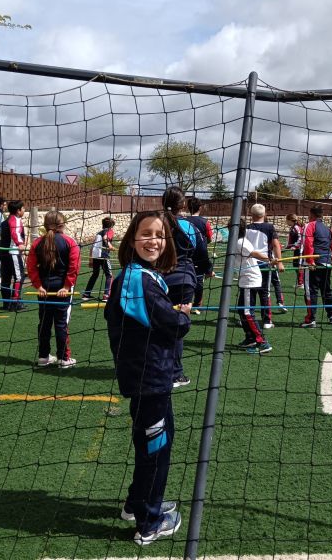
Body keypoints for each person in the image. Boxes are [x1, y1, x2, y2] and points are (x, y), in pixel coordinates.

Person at [104, 210, 190, 545]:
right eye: (146, 234)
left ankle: (137, 503)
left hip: (151, 376)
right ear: (132, 239)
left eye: (160, 235)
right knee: (156, 449)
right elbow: (172, 325)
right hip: (148, 378)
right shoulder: (136, 280)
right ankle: (149, 522)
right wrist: (182, 315)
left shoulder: (142, 276)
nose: (153, 241)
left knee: (155, 443)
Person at [161, 187, 211, 388]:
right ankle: (175, 373)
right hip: (182, 280)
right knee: (177, 326)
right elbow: (202, 254)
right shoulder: (189, 227)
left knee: (157, 323)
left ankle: (159, 367)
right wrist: (207, 270)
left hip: (156, 280)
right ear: (183, 204)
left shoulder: (156, 223)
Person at [27, 211, 80, 368]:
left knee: (44, 323)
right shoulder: (69, 242)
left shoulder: (37, 243)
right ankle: (63, 358)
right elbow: (74, 266)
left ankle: (43, 356)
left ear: (45, 225)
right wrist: (66, 286)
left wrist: (39, 286)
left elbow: (31, 267)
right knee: (61, 323)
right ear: (62, 225)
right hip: (61, 290)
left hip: (44, 290)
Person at [228, 219, 273, 354]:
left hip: (250, 280)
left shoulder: (241, 242)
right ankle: (250, 338)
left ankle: (262, 342)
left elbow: (254, 253)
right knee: (242, 310)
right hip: (245, 279)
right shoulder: (237, 242)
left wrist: (269, 259)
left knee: (247, 312)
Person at [245, 203, 286, 328]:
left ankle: (249, 319)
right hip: (264, 263)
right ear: (264, 214)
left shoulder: (246, 228)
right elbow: (276, 245)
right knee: (264, 292)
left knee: (250, 291)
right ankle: (267, 321)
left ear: (251, 214)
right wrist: (280, 262)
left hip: (250, 264)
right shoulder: (269, 227)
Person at [301, 206, 332, 327]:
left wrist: (310, 260)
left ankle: (311, 320)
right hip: (326, 263)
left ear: (311, 214)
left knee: (311, 291)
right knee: (326, 290)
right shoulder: (328, 229)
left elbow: (308, 243)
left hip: (314, 264)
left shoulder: (310, 225)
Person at [183, 196, 214, 314]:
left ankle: (186, 302)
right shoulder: (205, 222)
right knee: (199, 279)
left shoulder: (184, 221)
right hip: (201, 254)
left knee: (187, 277)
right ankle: (197, 304)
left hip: (187, 253)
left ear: (188, 208)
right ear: (200, 208)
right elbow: (210, 238)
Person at [0, 200, 26, 311]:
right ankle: (15, 302)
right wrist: (20, 244)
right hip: (12, 253)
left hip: (3, 253)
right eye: (23, 208)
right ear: (18, 211)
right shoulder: (15, 220)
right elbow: (15, 233)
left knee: (6, 278)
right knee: (19, 277)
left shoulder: (5, 221)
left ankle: (6, 303)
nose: (24, 210)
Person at [83, 216, 116, 301]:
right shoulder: (110, 231)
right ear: (111, 226)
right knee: (109, 275)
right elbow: (105, 238)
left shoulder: (98, 233)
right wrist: (110, 245)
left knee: (95, 274)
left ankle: (86, 294)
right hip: (103, 255)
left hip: (95, 255)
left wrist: (90, 260)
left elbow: (92, 247)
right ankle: (106, 295)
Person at [285, 213, 304, 288]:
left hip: (300, 250)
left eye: (286, 220)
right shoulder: (293, 227)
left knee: (299, 265)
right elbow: (292, 240)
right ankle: (300, 282)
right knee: (296, 265)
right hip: (297, 249)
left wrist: (295, 246)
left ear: (290, 220)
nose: (286, 222)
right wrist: (287, 247)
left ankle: (301, 283)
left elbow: (300, 238)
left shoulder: (296, 227)